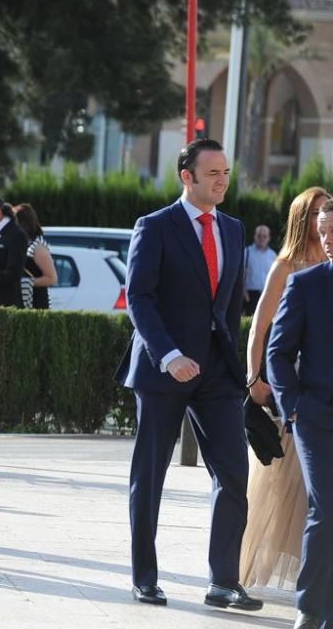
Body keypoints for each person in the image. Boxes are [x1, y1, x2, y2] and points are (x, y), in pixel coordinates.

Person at [115, 138, 262, 611]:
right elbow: (139, 298)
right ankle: (145, 577)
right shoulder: (154, 227)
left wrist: (237, 362)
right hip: (163, 370)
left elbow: (230, 303)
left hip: (217, 372)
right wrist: (169, 354)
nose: (222, 180)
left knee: (234, 474)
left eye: (226, 173)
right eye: (213, 173)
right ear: (188, 176)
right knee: (150, 476)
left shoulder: (235, 229)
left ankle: (223, 581)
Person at [241, 188, 329, 589]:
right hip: (293, 390)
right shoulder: (286, 266)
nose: (320, 220)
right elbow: (260, 328)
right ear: (301, 218)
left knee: (313, 496)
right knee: (282, 487)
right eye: (313, 213)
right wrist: (254, 379)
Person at [267, 198, 333, 629]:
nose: (327, 241)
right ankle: (310, 608)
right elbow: (278, 352)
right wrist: (292, 407)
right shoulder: (306, 284)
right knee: (326, 508)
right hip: (316, 418)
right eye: (323, 233)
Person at [13, 203, 58, 309]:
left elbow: (52, 278)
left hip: (36, 304)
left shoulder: (38, 247)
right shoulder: (22, 244)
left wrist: (24, 283)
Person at [243, 225, 277, 316]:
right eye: (259, 235)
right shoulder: (247, 252)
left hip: (267, 295)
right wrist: (244, 292)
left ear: (269, 238)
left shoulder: (273, 255)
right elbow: (240, 274)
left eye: (264, 236)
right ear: (255, 237)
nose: (262, 238)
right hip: (250, 296)